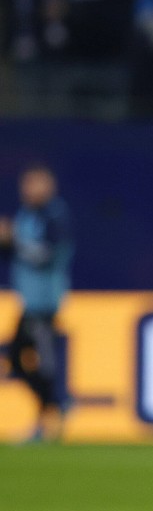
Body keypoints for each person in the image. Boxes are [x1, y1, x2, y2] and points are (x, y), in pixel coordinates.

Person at [0, 165, 73, 442]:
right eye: (26, 184)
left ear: (49, 186)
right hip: (28, 300)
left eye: (35, 184)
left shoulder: (55, 216)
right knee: (20, 360)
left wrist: (15, 239)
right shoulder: (26, 215)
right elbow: (16, 256)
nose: (28, 190)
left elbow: (47, 255)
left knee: (43, 363)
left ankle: (51, 413)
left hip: (45, 302)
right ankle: (55, 406)